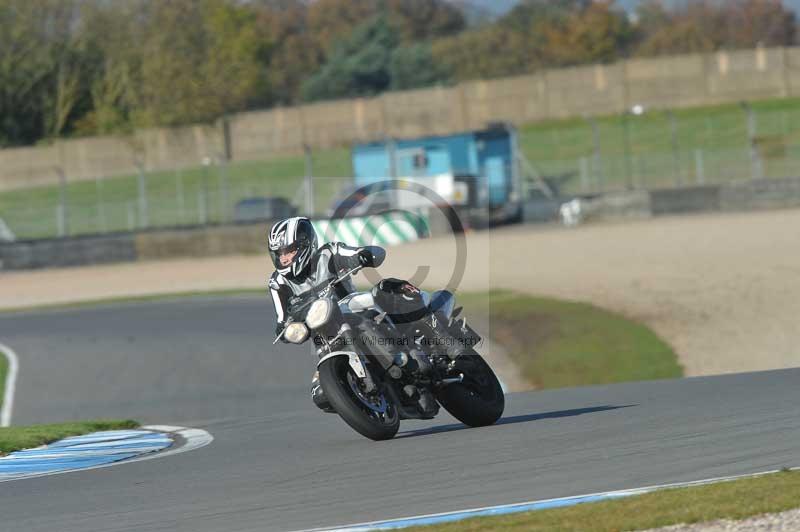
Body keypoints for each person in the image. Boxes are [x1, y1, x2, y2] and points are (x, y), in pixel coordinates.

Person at [268, 216, 428, 412]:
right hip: (322, 333)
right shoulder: (277, 283)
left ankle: (416, 344)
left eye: (289, 251)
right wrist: (283, 330)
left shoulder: (329, 252)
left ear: (305, 244)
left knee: (387, 289)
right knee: (320, 395)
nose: (283, 258)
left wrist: (363, 256)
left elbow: (357, 253)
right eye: (279, 254)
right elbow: (282, 319)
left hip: (353, 308)